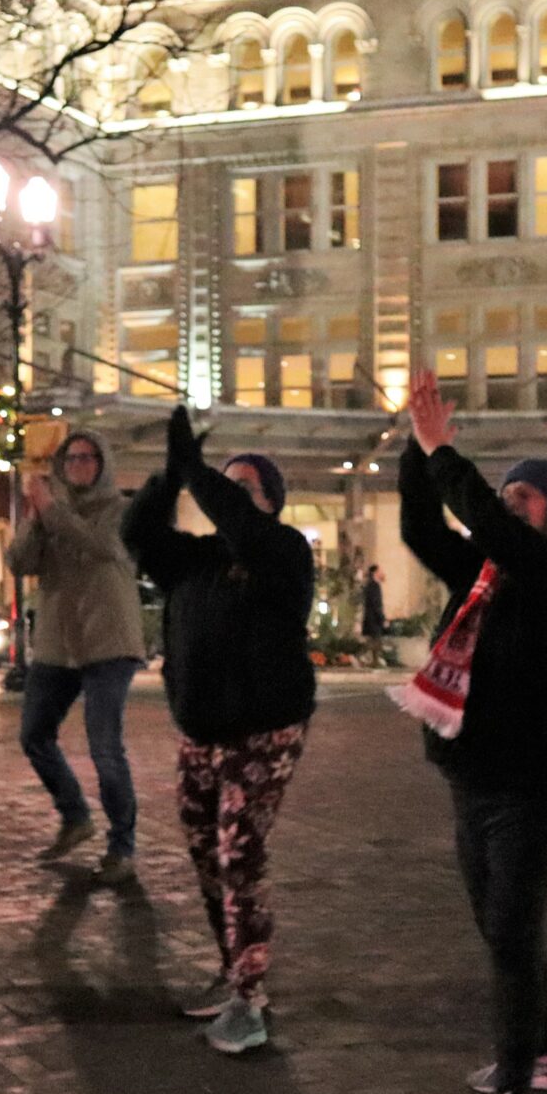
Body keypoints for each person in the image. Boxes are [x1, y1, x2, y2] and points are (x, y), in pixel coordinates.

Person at [394, 371, 547, 1094]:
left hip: (536, 783)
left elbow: (488, 523)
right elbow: (421, 528)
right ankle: (543, 1053)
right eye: (507, 491)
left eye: (529, 496)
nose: (512, 502)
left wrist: (449, 452)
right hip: (474, 776)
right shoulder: (485, 578)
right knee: (500, 925)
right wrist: (420, 453)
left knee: (512, 929)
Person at [121, 407, 317, 1055]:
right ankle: (231, 965)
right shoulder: (195, 560)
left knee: (240, 855)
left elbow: (246, 529)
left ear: (268, 502)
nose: (228, 498)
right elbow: (137, 532)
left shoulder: (283, 551)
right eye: (225, 487)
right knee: (207, 854)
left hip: (262, 729)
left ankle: (249, 998)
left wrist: (203, 475)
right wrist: (170, 479)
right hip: (200, 730)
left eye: (244, 488)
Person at [9, 429, 146, 887]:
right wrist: (33, 518)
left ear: (103, 463)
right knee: (34, 734)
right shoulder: (52, 510)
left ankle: (121, 845)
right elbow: (20, 562)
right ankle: (74, 816)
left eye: (88, 458)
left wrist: (52, 510)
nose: (79, 466)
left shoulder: (121, 511)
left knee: (105, 749)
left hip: (109, 642)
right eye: (71, 459)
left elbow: (101, 546)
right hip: (57, 642)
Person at [360, 563, 388, 668]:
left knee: (374, 641)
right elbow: (376, 605)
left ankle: (373, 662)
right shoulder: (373, 586)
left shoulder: (373, 585)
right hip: (373, 619)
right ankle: (363, 657)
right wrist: (382, 618)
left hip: (372, 619)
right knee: (375, 642)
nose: (382, 573)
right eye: (380, 571)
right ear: (375, 573)